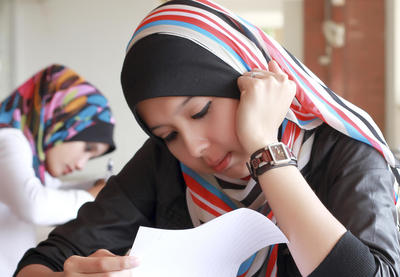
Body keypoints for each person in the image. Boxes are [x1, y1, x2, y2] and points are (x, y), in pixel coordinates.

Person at [15, 0, 400, 276]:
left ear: (251, 80)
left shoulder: (347, 151)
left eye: (200, 111)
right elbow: (40, 262)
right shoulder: (164, 162)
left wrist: (264, 147)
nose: (193, 147)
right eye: (166, 134)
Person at [0, 64, 115, 277]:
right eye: (87, 149)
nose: (81, 164)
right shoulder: (8, 140)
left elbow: (54, 191)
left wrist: (98, 185)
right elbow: (35, 205)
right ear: (61, 121)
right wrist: (92, 195)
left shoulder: (32, 156)